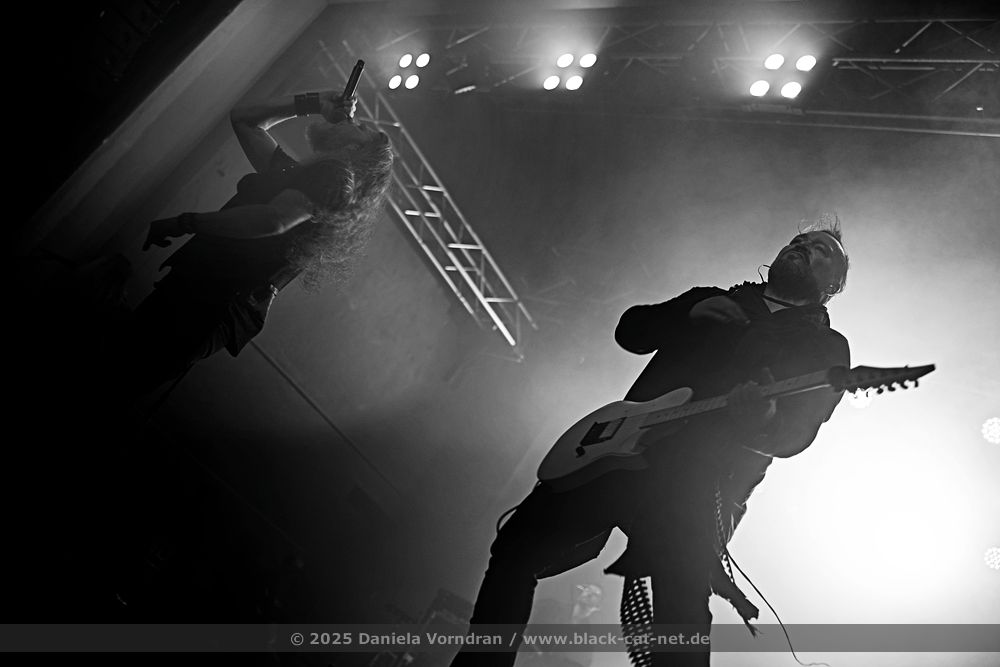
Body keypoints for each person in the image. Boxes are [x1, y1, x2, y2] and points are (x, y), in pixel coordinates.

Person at [451, 221, 851, 667]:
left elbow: (797, 435)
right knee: (514, 551)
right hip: (620, 451)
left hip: (700, 485)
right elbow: (631, 330)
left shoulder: (823, 347)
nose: (802, 246)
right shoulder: (713, 298)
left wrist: (764, 416)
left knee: (680, 623)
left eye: (820, 249)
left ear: (833, 285)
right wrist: (685, 316)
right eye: (798, 240)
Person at [122, 85, 394, 393]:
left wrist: (185, 222)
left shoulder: (336, 176)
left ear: (356, 151)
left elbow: (273, 220)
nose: (353, 120)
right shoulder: (299, 174)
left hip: (203, 308)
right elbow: (244, 120)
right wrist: (314, 102)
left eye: (361, 128)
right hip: (197, 294)